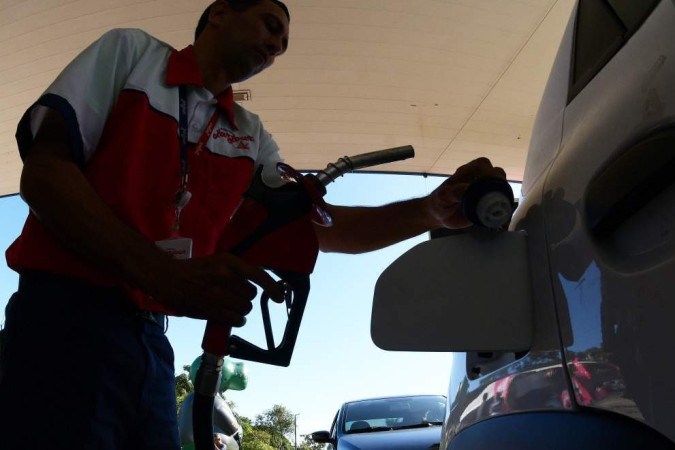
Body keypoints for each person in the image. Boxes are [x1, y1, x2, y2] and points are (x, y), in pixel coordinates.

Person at [0, 0, 506, 449]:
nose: (277, 45)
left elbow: (323, 230)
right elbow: (44, 174)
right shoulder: (131, 54)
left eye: (283, 42)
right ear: (220, 13)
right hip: (62, 319)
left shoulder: (249, 133)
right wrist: (164, 274)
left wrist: (429, 211)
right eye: (270, 25)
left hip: (151, 340)